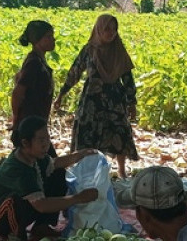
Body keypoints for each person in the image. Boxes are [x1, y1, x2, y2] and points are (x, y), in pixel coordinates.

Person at [0, 115, 99, 241]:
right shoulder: (16, 169)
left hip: (28, 209)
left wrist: (81, 154)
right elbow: (41, 205)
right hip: (1, 219)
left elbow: (56, 163)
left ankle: (42, 225)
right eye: (41, 140)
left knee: (58, 174)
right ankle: (17, 237)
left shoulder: (34, 157)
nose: (46, 144)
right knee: (16, 201)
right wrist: (78, 198)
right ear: (25, 143)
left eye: (47, 139)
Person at [53, 13, 138, 179]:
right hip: (92, 100)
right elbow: (75, 72)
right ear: (99, 30)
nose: (110, 33)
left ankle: (121, 170)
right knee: (88, 132)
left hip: (114, 100)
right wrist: (62, 94)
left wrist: (131, 103)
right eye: (106, 29)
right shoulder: (90, 49)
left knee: (118, 131)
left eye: (114, 30)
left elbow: (127, 78)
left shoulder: (118, 51)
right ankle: (87, 170)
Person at [11, 20, 58, 157]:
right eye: (48, 37)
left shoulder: (38, 60)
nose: (53, 40)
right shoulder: (34, 63)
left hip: (37, 122)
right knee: (49, 164)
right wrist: (16, 119)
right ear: (38, 40)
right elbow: (18, 93)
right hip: (30, 124)